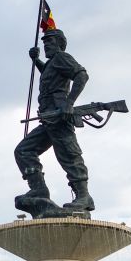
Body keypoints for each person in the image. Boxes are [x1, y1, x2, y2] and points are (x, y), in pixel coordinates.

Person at [14, 28, 94, 211]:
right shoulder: (52, 63)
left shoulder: (61, 58)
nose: (46, 46)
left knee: (69, 154)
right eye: (44, 43)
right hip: (48, 118)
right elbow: (49, 75)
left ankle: (84, 196)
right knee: (24, 150)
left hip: (59, 116)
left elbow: (81, 75)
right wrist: (36, 61)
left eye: (49, 43)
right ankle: (39, 190)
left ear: (59, 43)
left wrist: (69, 103)